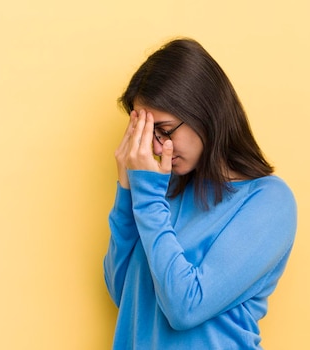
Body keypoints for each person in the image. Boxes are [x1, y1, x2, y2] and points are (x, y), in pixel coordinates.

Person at [103, 37, 297, 349]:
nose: (155, 148)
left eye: (164, 131)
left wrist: (149, 199)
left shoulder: (268, 201)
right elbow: (124, 294)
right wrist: (127, 190)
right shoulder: (161, 192)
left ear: (203, 113)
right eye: (145, 134)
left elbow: (185, 308)